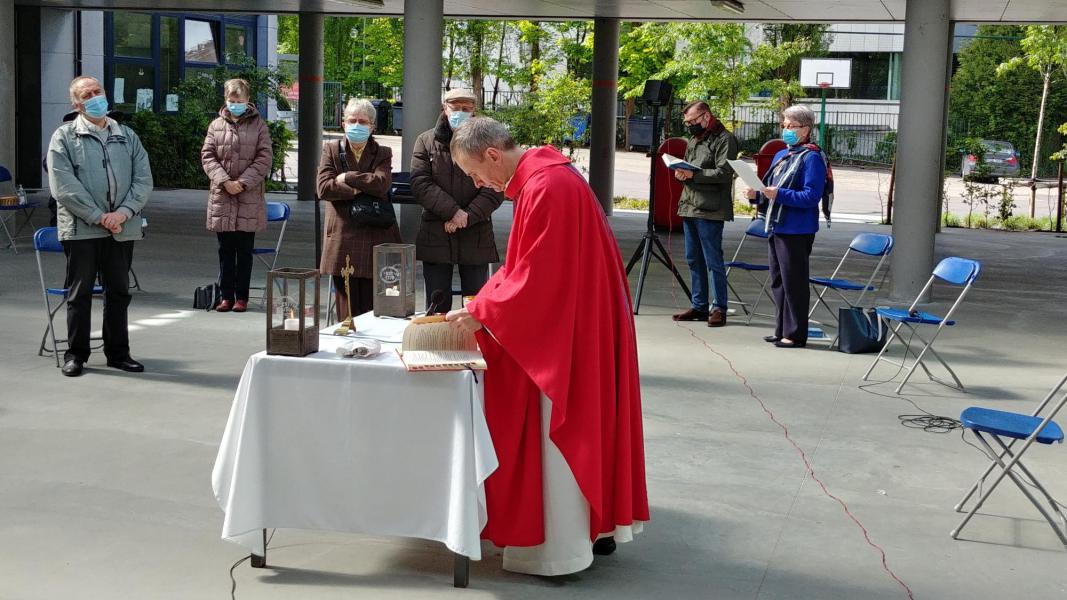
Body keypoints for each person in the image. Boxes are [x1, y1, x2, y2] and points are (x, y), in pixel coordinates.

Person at [444, 117, 648, 576]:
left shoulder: (545, 187)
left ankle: (558, 547)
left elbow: (538, 277)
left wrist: (482, 311)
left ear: (493, 155)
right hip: (578, 322)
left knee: (556, 432)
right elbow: (530, 266)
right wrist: (490, 298)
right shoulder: (551, 177)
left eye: (476, 174)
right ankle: (583, 532)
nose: (479, 184)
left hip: (564, 334)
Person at [47, 75, 153, 377]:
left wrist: (123, 213)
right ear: (76, 103)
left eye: (98, 91)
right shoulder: (64, 136)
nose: (95, 97)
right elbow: (64, 186)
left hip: (122, 228)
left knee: (118, 292)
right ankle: (76, 354)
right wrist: (99, 216)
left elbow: (143, 179)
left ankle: (119, 353)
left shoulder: (127, 135)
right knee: (79, 294)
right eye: (87, 94)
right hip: (83, 229)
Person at [411, 88, 504, 313]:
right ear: (444, 108)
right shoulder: (425, 141)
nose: (460, 113)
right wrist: (453, 212)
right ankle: (437, 346)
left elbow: (496, 187)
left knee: (474, 306)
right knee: (436, 304)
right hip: (437, 232)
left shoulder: (488, 143)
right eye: (455, 108)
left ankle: (474, 347)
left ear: (474, 112)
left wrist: (467, 217)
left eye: (466, 109)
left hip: (476, 233)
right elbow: (420, 183)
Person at [744, 104, 826, 349]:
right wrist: (755, 194)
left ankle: (796, 333)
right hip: (776, 225)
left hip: (796, 229)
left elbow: (811, 196)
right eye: (784, 126)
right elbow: (769, 189)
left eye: (792, 126)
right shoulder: (783, 154)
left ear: (806, 129)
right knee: (778, 281)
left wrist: (778, 194)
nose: (786, 130)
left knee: (794, 282)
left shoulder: (812, 157)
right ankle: (781, 329)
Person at [316, 98, 400, 321]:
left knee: (375, 309)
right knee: (348, 312)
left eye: (363, 121)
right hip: (343, 236)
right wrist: (359, 190)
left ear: (372, 126)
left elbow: (382, 184)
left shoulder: (383, 152)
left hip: (375, 235)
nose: (356, 125)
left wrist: (348, 178)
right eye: (352, 120)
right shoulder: (331, 150)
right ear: (343, 123)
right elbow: (324, 188)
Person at [200, 78, 273, 313]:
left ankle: (242, 297)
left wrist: (242, 183)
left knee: (244, 251)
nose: (235, 104)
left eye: (239, 101)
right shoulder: (215, 125)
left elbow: (264, 159)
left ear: (247, 100)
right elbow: (208, 156)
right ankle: (225, 296)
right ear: (225, 100)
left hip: (248, 195)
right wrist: (224, 181)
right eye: (231, 101)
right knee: (225, 250)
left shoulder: (259, 126)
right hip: (223, 196)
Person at [672, 101, 739, 327]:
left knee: (713, 261)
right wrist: (682, 173)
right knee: (693, 258)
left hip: (711, 208)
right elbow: (691, 167)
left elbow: (724, 172)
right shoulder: (694, 138)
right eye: (687, 123)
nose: (690, 126)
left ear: (706, 116)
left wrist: (693, 175)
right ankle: (699, 305)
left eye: (692, 121)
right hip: (690, 204)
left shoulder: (724, 138)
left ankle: (719, 307)